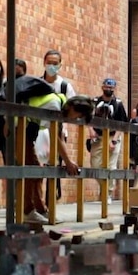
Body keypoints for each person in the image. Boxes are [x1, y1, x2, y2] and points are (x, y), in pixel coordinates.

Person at [22, 93, 95, 223]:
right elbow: (54, 135)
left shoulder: (59, 105)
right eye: (78, 116)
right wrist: (68, 162)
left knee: (35, 171)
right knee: (32, 171)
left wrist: (66, 161)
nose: (75, 119)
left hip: (25, 129)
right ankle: (28, 211)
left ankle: (40, 210)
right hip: (19, 126)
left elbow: (58, 134)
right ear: (73, 108)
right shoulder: (55, 105)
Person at [42, 49, 76, 202]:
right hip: (39, 131)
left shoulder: (64, 86)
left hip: (58, 132)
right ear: (44, 63)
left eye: (55, 63)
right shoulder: (38, 83)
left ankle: (50, 202)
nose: (51, 66)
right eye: (49, 62)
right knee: (37, 166)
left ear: (60, 65)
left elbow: (74, 108)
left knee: (54, 167)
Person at [89, 78, 129, 205]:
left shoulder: (118, 103)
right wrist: (90, 130)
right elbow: (87, 117)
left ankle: (107, 193)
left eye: (111, 88)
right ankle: (104, 188)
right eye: (107, 87)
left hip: (113, 136)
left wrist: (115, 140)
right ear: (102, 87)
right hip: (98, 137)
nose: (109, 90)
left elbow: (122, 123)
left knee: (111, 166)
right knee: (95, 164)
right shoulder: (95, 102)